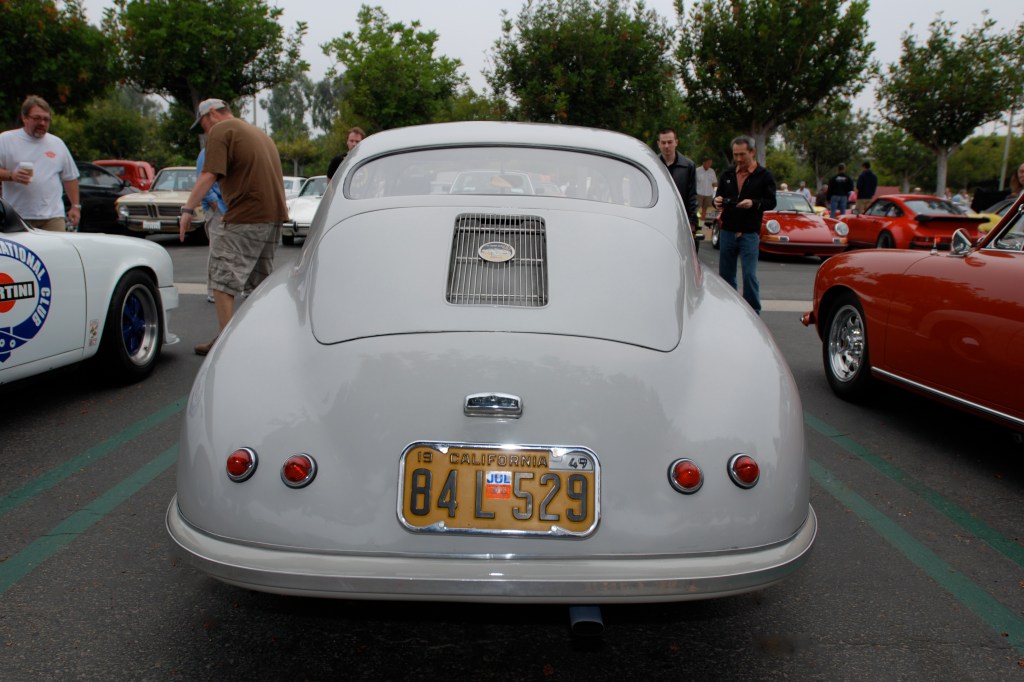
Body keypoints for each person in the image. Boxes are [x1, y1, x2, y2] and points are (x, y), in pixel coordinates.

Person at [179, 98, 288, 356]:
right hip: (273, 216)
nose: (205, 130)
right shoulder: (258, 133)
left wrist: (187, 209)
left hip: (246, 216)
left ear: (212, 114)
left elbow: (208, 174)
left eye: (203, 124)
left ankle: (226, 347)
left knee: (221, 279)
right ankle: (260, 338)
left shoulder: (221, 130)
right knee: (258, 283)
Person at [714, 135, 776, 314]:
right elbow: (719, 198)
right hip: (728, 231)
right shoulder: (727, 174)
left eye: (742, 154)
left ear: (752, 152)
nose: (738, 159)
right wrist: (716, 201)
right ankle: (728, 309)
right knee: (726, 275)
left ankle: (753, 311)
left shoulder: (764, 176)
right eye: (735, 155)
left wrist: (754, 203)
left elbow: (771, 201)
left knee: (749, 275)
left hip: (749, 232)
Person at [0, 95, 80, 231]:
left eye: (46, 119)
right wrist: (11, 175)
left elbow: (70, 177)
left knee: (57, 245)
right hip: (17, 216)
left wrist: (75, 206)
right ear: (24, 118)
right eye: (37, 118)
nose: (42, 123)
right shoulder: (6, 140)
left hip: (53, 217)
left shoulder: (57, 143)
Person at [194, 144, 228, 303]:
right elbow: (202, 181)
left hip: (228, 208)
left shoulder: (225, 150)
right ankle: (213, 291)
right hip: (216, 210)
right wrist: (215, 204)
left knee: (227, 251)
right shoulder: (206, 153)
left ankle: (223, 288)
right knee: (217, 250)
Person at [657, 128, 699, 249]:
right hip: (658, 218)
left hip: (680, 221)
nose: (666, 146)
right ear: (658, 144)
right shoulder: (653, 164)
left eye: (670, 142)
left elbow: (692, 195)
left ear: (676, 142)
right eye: (663, 142)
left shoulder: (688, 166)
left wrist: (692, 222)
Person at [695, 157, 717, 221]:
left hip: (708, 194)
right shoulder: (697, 170)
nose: (710, 164)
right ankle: (697, 221)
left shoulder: (712, 171)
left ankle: (702, 223)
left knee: (705, 210)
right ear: (704, 162)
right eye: (708, 163)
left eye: (711, 163)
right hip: (699, 193)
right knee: (696, 209)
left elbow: (714, 183)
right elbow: (692, 182)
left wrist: (715, 193)